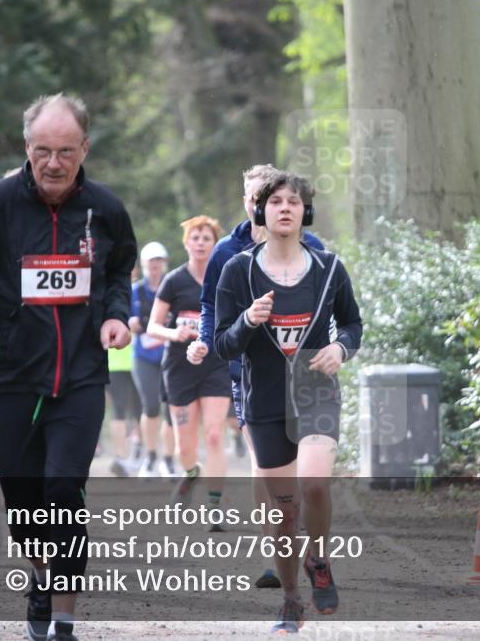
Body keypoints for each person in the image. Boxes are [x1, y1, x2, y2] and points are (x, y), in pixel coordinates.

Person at [0, 93, 136, 641]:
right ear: (27, 147)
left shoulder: (107, 210)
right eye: (43, 150)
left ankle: (63, 617)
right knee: (25, 507)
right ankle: (40, 580)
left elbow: (119, 274)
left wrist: (117, 316)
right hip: (11, 378)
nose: (53, 162)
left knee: (64, 491)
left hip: (83, 378)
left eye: (65, 151)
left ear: (85, 147)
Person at [213, 171, 362, 633]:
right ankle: (291, 600)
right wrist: (246, 321)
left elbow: (353, 325)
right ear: (260, 210)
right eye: (274, 201)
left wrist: (340, 349)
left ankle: (319, 557)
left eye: (293, 202)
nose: (284, 208)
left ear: (305, 212)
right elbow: (223, 345)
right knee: (283, 511)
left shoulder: (330, 268)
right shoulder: (237, 270)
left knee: (315, 485)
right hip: (266, 401)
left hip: (315, 392)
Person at [188, 163, 326, 588]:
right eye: (253, 197)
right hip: (247, 371)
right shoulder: (227, 253)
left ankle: (308, 548)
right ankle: (275, 554)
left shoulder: (312, 244)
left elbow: (327, 301)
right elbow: (210, 305)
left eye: (268, 197)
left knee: (306, 473)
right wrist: (206, 342)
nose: (259, 204)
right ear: (247, 201)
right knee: (263, 467)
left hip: (304, 374)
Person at [147, 216, 232, 525]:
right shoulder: (174, 281)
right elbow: (153, 325)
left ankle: (215, 504)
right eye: (194, 238)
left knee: (213, 435)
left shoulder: (225, 277)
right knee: (185, 446)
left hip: (215, 365)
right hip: (180, 366)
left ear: (214, 244)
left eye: (206, 238)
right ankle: (191, 472)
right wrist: (175, 334)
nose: (199, 243)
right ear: (186, 244)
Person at [129, 241, 177, 477]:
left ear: (164, 263)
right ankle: (150, 457)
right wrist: (132, 323)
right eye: (151, 261)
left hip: (170, 357)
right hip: (144, 357)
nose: (155, 265)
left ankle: (167, 460)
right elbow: (127, 317)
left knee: (171, 410)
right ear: (144, 264)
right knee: (150, 407)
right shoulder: (136, 291)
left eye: (159, 261)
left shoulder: (173, 286)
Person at [106, 269, 143, 477]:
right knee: (120, 409)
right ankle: (121, 457)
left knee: (140, 410)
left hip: (139, 360)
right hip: (116, 361)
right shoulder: (109, 293)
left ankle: (137, 454)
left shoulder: (139, 292)